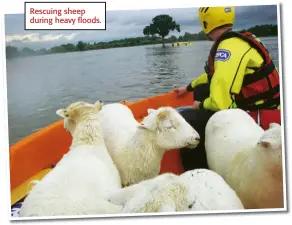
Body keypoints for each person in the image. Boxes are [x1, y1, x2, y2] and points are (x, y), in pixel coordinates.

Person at [173, 6, 281, 172]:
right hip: (267, 105)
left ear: (206, 23)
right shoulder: (238, 41)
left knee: (189, 119)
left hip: (261, 114)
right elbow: (211, 76)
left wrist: (199, 106)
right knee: (201, 90)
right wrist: (188, 88)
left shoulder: (226, 48)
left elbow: (219, 103)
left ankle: (199, 174)